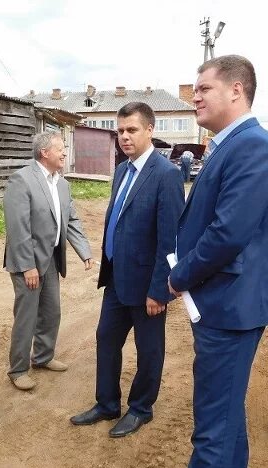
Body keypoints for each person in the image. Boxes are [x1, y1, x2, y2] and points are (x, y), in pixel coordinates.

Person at [168, 55, 268, 468]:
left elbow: (226, 234)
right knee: (224, 414)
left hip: (231, 307)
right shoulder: (232, 144)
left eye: (204, 89)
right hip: (224, 303)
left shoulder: (251, 145)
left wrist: (178, 277)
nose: (194, 97)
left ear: (237, 90)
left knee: (213, 427)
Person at [70, 102, 184, 438]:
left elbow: (170, 238)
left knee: (149, 350)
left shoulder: (167, 175)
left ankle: (140, 408)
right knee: (106, 338)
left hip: (148, 284)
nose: (124, 136)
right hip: (117, 279)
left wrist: (160, 289)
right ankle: (107, 403)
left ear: (150, 130)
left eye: (131, 129)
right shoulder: (122, 170)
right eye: (120, 130)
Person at [3, 131, 92, 391]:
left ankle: (42, 357)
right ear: (44, 152)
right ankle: (18, 369)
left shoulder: (61, 183)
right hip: (28, 262)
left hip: (51, 259)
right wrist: (27, 265)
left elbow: (71, 219)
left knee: (51, 312)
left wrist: (84, 250)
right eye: (60, 148)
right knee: (27, 316)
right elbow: (17, 227)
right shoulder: (22, 179)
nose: (65, 152)